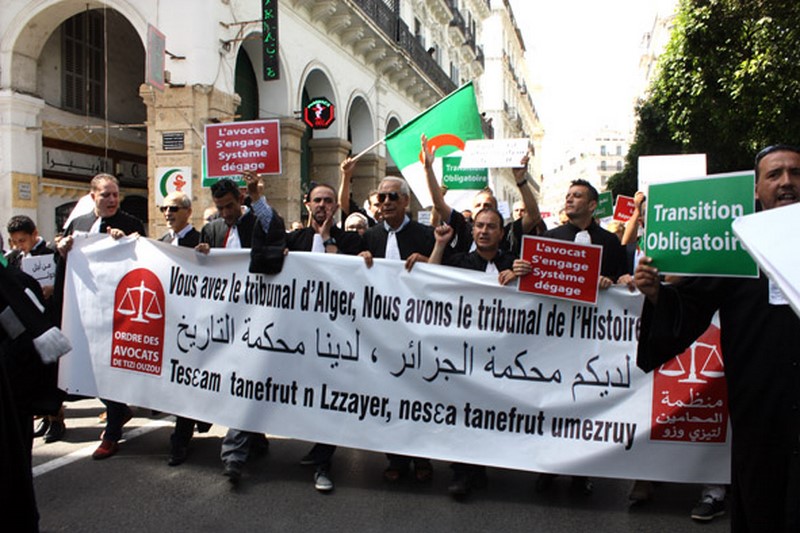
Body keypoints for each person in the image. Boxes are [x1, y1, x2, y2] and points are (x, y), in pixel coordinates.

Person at [634, 144, 800, 532]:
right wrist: (658, 293)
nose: (787, 182)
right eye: (775, 175)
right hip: (759, 407)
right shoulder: (735, 244)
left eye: (795, 172)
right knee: (765, 504)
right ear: (755, 189)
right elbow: (692, 302)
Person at [427, 208, 531, 498]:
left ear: (501, 232)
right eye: (479, 226)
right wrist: (439, 244)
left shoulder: (513, 262)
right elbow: (430, 279)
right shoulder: (460, 261)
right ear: (472, 231)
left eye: (491, 227)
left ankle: (482, 466)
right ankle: (462, 472)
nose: (484, 231)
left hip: (504, 357)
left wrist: (523, 275)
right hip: (464, 354)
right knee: (464, 411)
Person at [536, 178, 627, 495]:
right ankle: (548, 467)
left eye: (577, 196)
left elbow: (622, 280)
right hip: (558, 334)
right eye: (568, 195)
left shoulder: (611, 242)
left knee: (583, 401)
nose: (570, 199)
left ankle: (580, 471)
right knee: (553, 399)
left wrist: (610, 281)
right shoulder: (552, 237)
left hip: (593, 335)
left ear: (592, 205)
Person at [278, 182, 364, 492]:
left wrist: (328, 240)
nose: (323, 206)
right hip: (297, 334)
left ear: (336, 207)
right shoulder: (294, 239)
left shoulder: (351, 241)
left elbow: (346, 274)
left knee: (330, 398)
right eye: (318, 200)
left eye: (329, 201)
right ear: (307, 204)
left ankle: (323, 462)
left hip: (335, 336)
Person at [55, 173, 146, 460]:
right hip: (82, 309)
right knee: (89, 365)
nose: (112, 200)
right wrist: (60, 247)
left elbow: (143, 260)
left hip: (115, 310)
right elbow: (63, 256)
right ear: (92, 195)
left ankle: (112, 432)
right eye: (106, 195)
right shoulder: (78, 224)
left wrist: (127, 242)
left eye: (115, 195)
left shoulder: (130, 223)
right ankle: (119, 409)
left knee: (111, 366)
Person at [197, 173, 281, 484]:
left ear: (240, 200)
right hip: (223, 319)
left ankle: (233, 454)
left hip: (257, 315)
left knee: (244, 381)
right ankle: (253, 438)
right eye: (220, 208)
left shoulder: (255, 221)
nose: (225, 213)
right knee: (239, 381)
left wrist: (258, 197)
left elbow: (274, 227)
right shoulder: (213, 228)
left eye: (230, 206)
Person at [359, 175, 436, 482]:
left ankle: (422, 457)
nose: (386, 203)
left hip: (417, 329)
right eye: (381, 198)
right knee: (389, 394)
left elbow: (445, 272)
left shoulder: (425, 234)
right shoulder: (371, 236)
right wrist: (360, 260)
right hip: (382, 329)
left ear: (406, 201)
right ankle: (396, 458)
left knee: (418, 394)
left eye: (393, 197)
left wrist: (429, 260)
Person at [421, 134, 545, 256]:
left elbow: (534, 217)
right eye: (478, 205)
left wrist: (520, 180)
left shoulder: (508, 233)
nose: (483, 208)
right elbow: (439, 204)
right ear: (472, 212)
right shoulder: (462, 228)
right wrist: (428, 169)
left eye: (488, 205)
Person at [157, 192, 212, 466]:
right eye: (164, 208)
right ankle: (184, 433)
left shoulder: (201, 241)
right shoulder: (162, 243)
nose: (167, 213)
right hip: (171, 324)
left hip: (197, 325)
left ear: (188, 212)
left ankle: (180, 440)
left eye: (173, 208)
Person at [6, 215, 65, 443]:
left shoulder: (52, 251)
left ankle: (57, 419)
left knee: (50, 373)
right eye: (15, 242)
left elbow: (63, 281)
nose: (20, 246)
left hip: (48, 320)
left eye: (23, 240)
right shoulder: (15, 259)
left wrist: (52, 289)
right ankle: (45, 418)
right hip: (25, 327)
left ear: (34, 234)